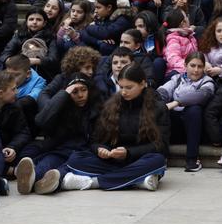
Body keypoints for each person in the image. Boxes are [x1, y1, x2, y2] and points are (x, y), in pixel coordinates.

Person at [59, 64, 168, 192]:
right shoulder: (110, 105)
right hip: (112, 161)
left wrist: (128, 153)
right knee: (76, 159)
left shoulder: (158, 108)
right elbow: (95, 141)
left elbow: (161, 146)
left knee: (158, 161)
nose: (123, 92)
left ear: (143, 84)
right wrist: (102, 149)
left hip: (139, 159)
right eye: (121, 87)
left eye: (129, 87)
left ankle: (94, 182)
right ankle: (136, 181)